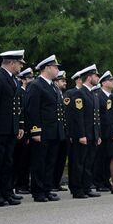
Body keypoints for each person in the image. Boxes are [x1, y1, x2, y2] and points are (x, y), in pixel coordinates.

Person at [0, 49, 25, 208]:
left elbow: (16, 105)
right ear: (11, 63)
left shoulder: (13, 80)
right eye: (19, 64)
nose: (21, 67)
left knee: (8, 161)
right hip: (0, 128)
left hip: (11, 127)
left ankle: (7, 191)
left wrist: (19, 125)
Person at [26, 55, 65, 202]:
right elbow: (32, 109)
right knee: (39, 162)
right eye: (55, 67)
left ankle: (47, 188)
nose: (57, 70)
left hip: (54, 131)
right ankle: (38, 191)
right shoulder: (36, 85)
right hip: (42, 131)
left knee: (50, 161)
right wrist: (35, 130)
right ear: (47, 68)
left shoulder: (52, 86)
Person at [66, 65, 102, 198]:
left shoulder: (93, 94)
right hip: (82, 135)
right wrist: (81, 135)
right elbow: (77, 117)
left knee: (88, 163)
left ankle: (86, 186)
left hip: (92, 135)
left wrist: (97, 134)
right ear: (89, 77)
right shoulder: (79, 94)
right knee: (78, 163)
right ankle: (77, 188)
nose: (97, 78)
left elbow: (96, 117)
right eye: (96, 76)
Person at [13, 67, 34, 195]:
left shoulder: (28, 92)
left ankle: (24, 183)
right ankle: (20, 184)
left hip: (28, 130)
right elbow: (21, 113)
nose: (32, 80)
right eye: (29, 78)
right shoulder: (20, 92)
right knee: (20, 159)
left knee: (26, 160)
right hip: (22, 131)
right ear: (24, 79)